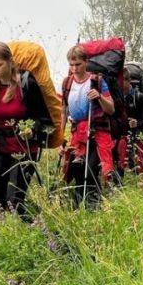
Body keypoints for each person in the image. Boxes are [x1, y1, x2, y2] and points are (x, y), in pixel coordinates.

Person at [0, 42, 53, 221]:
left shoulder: (26, 83)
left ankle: (28, 235)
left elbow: (43, 119)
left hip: (24, 147)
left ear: (10, 62)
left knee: (15, 200)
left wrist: (31, 130)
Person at [60, 44, 116, 205]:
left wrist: (99, 97)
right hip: (77, 133)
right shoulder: (66, 84)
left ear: (86, 62)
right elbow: (63, 112)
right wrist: (61, 138)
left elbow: (110, 109)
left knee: (90, 169)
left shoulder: (97, 81)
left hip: (97, 131)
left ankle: (94, 205)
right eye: (71, 64)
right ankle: (79, 206)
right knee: (76, 169)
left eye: (78, 64)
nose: (74, 68)